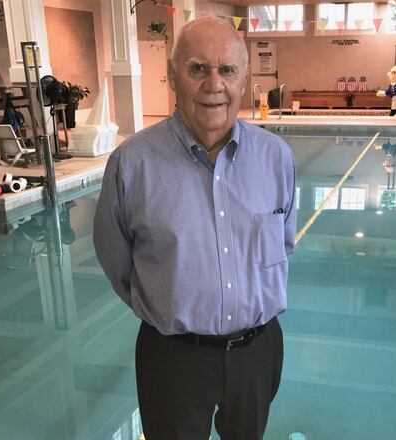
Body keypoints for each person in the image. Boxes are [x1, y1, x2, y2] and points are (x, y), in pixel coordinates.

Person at [93, 17, 297, 440]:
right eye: (197, 68)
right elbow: (117, 261)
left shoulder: (276, 158)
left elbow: (285, 244)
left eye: (227, 70)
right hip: (173, 357)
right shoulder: (133, 165)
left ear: (244, 79)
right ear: (172, 77)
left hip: (257, 353)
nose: (214, 83)